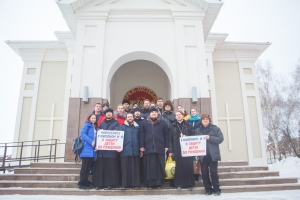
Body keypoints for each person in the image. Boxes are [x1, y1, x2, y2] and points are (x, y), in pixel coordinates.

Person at [139, 107, 169, 189]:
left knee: (159, 167)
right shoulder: (144, 123)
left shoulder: (163, 123)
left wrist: (166, 146)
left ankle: (158, 183)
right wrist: (141, 146)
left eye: (155, 112)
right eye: (152, 112)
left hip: (160, 148)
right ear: (149, 113)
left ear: (157, 113)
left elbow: (166, 135)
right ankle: (150, 184)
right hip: (148, 148)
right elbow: (141, 135)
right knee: (149, 167)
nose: (154, 113)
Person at [195, 114, 224, 196]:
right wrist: (196, 153)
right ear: (201, 120)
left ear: (209, 120)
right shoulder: (198, 130)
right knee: (204, 174)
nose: (205, 120)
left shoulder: (215, 129)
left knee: (214, 173)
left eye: (206, 119)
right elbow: (195, 142)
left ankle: (217, 189)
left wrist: (210, 138)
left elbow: (220, 139)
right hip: (202, 156)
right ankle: (208, 189)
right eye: (203, 119)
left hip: (212, 155)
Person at [92, 108, 120, 190]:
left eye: (110, 112)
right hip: (102, 151)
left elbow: (117, 133)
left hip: (111, 150)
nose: (108, 114)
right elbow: (98, 135)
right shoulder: (102, 124)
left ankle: (110, 184)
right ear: (105, 114)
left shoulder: (116, 123)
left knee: (110, 168)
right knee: (101, 167)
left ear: (112, 114)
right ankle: (99, 184)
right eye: (107, 112)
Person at [169, 111, 195, 190]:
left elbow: (193, 136)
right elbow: (170, 139)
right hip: (176, 148)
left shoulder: (189, 125)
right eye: (177, 115)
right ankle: (179, 184)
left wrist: (186, 137)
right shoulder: (172, 126)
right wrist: (170, 150)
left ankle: (189, 184)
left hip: (187, 148)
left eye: (180, 114)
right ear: (175, 117)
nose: (178, 116)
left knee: (188, 166)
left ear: (183, 115)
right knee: (179, 166)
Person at [119, 112, 141, 189]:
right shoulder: (121, 127)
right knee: (125, 169)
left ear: (133, 118)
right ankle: (125, 184)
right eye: (128, 117)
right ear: (126, 118)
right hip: (125, 151)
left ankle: (135, 184)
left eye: (131, 116)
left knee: (135, 169)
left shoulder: (137, 127)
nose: (130, 118)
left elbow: (140, 138)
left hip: (135, 151)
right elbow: (118, 139)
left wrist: (140, 149)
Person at [78, 113, 97, 189]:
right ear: (89, 118)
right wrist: (90, 141)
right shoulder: (87, 125)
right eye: (92, 118)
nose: (93, 119)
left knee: (88, 167)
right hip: (86, 149)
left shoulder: (94, 127)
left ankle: (85, 181)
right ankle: (82, 183)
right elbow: (83, 134)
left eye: (95, 118)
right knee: (84, 167)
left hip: (91, 151)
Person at [188, 108, 202, 182]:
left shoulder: (200, 121)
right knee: (193, 158)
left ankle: (199, 173)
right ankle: (194, 173)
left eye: (194, 111)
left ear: (197, 112)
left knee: (198, 157)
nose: (193, 112)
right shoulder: (188, 121)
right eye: (192, 111)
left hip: (198, 141)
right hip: (191, 142)